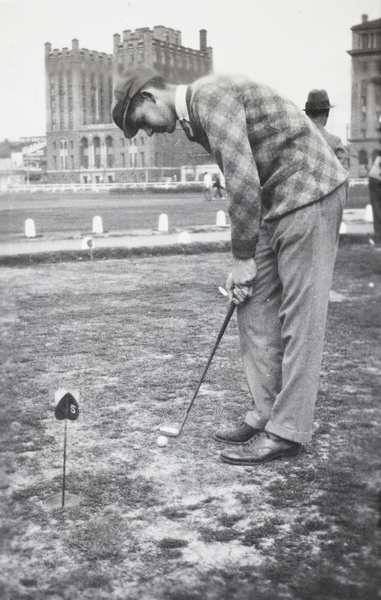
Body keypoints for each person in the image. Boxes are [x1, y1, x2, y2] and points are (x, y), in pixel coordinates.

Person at [112, 67, 349, 466]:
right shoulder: (194, 117)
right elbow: (246, 179)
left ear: (148, 97)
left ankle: (287, 431)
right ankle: (264, 413)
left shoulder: (208, 96)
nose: (149, 132)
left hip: (311, 192)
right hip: (277, 201)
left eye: (141, 123)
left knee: (300, 317)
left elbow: (241, 180)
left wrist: (242, 257)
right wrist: (242, 261)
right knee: (250, 302)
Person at [304, 89, 347, 168]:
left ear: (307, 113)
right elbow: (343, 177)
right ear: (327, 113)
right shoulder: (335, 142)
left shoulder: (295, 139)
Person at [368, 152, 381, 245]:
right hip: (376, 180)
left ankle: (378, 236)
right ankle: (378, 237)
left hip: (376, 178)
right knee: (377, 208)